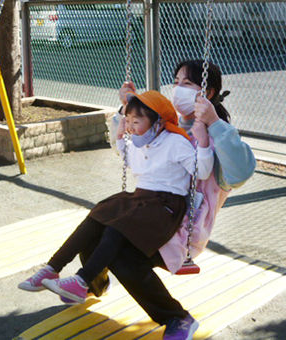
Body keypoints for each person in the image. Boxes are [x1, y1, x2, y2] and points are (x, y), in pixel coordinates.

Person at [82, 59, 256, 340]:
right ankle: (95, 283)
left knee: (124, 256)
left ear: (207, 93)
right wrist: (128, 107)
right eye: (176, 82)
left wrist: (212, 123)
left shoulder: (215, 137)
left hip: (181, 231)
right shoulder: (167, 128)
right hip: (150, 214)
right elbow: (131, 145)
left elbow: (241, 172)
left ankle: (178, 319)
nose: (178, 89)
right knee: (97, 227)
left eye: (187, 83)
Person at [18, 89, 214, 333]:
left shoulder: (175, 142)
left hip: (165, 205)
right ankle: (52, 269)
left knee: (117, 228)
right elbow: (131, 160)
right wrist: (120, 137)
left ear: (158, 122)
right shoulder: (139, 142)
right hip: (141, 199)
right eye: (128, 121)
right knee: (98, 216)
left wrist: (203, 141)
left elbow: (202, 171)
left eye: (137, 121)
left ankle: (82, 280)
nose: (131, 126)